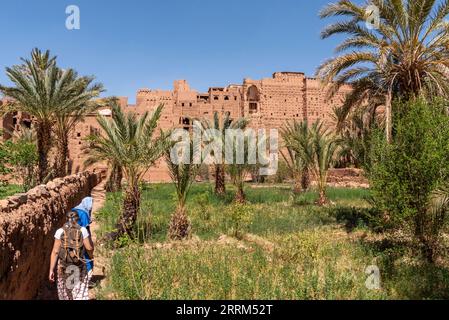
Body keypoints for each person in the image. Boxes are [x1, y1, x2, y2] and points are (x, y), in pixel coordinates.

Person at [49, 211, 94, 300]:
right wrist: (91, 256)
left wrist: (51, 270)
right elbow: (89, 248)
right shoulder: (83, 230)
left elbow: (55, 252)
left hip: (63, 266)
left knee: (65, 293)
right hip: (79, 265)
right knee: (79, 291)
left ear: (66, 219)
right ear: (78, 220)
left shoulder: (60, 231)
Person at [71, 196, 94, 279]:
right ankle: (86, 279)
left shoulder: (73, 210)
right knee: (86, 258)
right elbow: (86, 231)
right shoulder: (84, 213)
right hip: (80, 240)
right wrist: (90, 247)